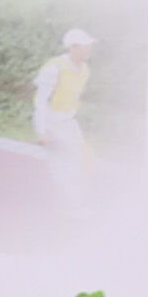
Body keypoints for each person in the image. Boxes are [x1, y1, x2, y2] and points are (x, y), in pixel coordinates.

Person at [30, 28, 96, 213]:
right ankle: (71, 205)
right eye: (85, 45)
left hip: (69, 123)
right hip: (52, 123)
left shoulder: (85, 69)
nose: (89, 49)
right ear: (73, 47)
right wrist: (42, 131)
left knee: (84, 158)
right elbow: (41, 101)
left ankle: (73, 201)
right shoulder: (54, 68)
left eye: (89, 45)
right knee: (63, 164)